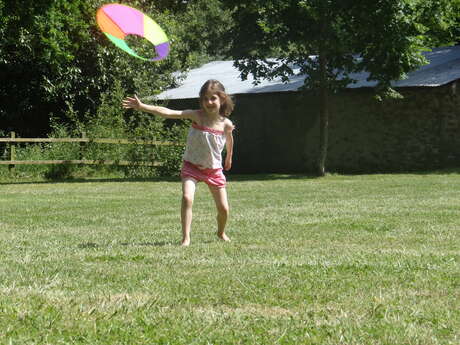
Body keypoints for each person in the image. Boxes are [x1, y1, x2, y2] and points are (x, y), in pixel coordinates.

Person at [122, 80, 235, 246]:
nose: (209, 102)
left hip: (214, 170)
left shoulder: (226, 123)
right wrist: (143, 106)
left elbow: (229, 139)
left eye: (213, 98)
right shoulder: (196, 115)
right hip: (192, 166)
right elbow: (168, 112)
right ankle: (186, 238)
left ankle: (221, 232)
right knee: (187, 198)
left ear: (222, 99)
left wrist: (229, 156)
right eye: (205, 99)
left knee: (224, 209)